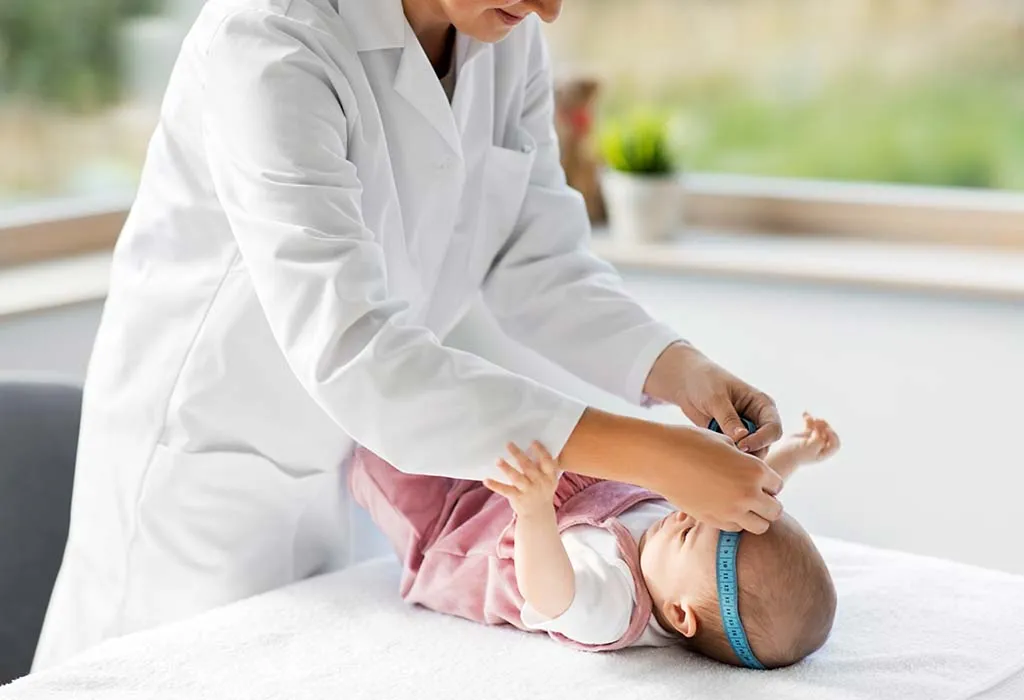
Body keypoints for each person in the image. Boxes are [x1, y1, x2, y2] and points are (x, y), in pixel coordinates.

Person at [34, 0, 783, 670]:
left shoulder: (502, 33)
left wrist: (677, 368)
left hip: (337, 459)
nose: (550, 11)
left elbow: (537, 257)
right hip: (197, 479)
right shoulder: (269, 39)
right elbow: (357, 350)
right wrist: (655, 456)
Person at [350, 414, 839, 667]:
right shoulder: (690, 556)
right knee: (436, 415)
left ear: (680, 615)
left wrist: (535, 512)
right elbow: (746, 503)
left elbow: (552, 594)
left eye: (691, 529)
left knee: (380, 460)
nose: (686, 514)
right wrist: (795, 454)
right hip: (522, 483)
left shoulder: (616, 609)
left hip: (463, 531)